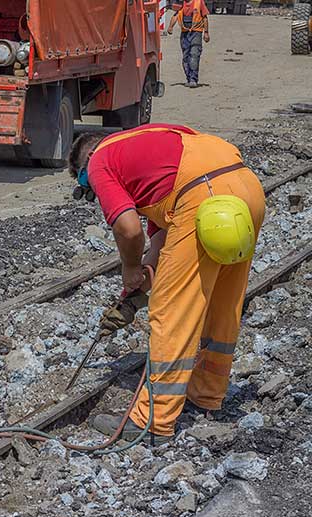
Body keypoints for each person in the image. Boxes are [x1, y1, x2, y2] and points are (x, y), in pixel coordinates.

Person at [68, 124, 265, 445]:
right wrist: (136, 287)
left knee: (171, 309)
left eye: (89, 189)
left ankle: (154, 419)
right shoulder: (146, 145)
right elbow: (160, 242)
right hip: (246, 189)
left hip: (203, 197)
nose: (96, 194)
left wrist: (130, 268)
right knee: (222, 303)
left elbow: (129, 230)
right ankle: (206, 394)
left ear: (84, 165)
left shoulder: (100, 160)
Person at [167, 0, 210, 88]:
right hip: (185, 33)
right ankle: (189, 78)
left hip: (196, 32)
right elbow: (176, 15)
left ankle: (193, 79)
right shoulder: (181, 3)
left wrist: (206, 32)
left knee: (194, 55)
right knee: (186, 57)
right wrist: (170, 27)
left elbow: (205, 17)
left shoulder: (199, 2)